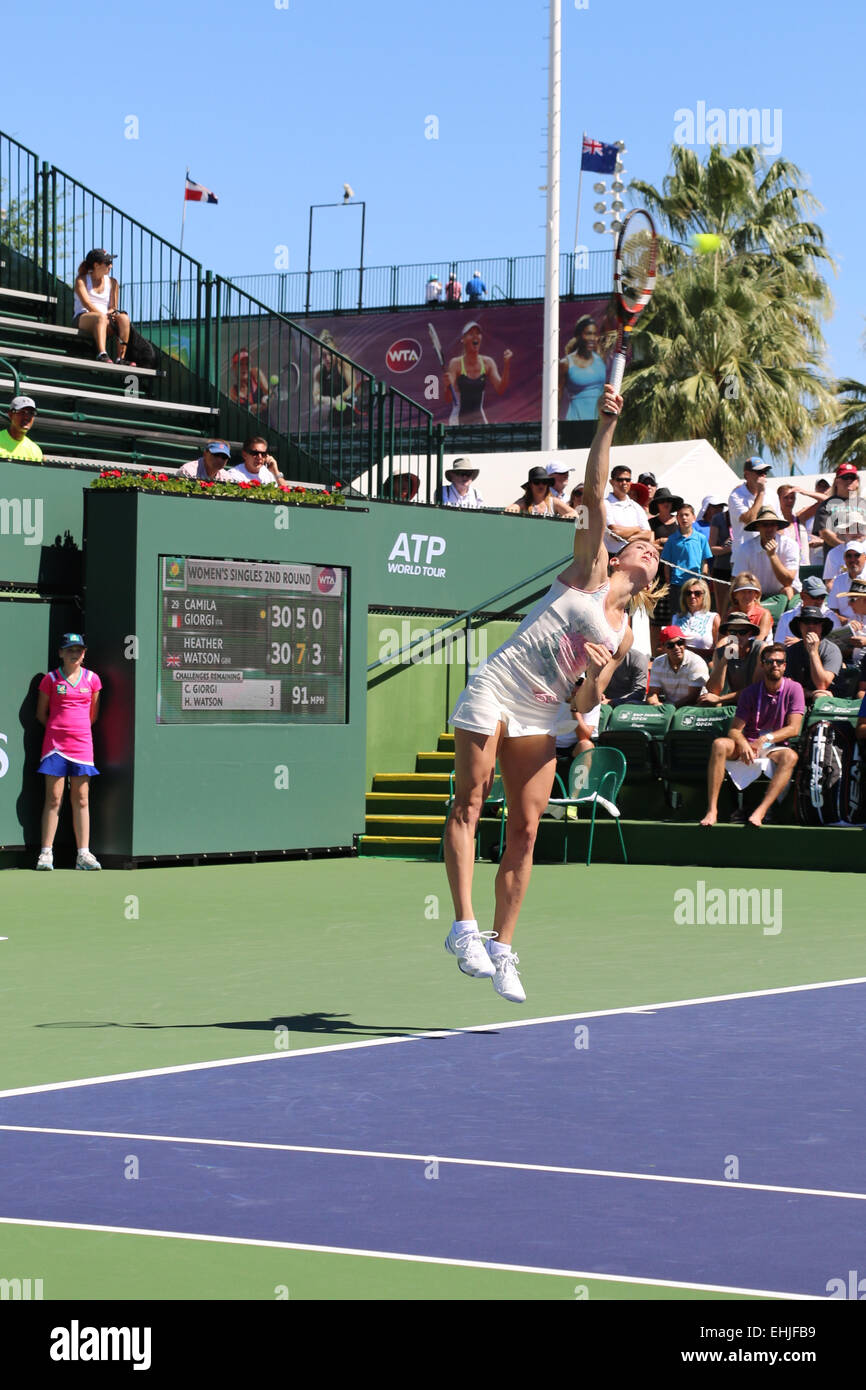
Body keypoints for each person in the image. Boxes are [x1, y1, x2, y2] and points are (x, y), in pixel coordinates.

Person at [443, 383, 662, 1003]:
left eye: (654, 547)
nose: (647, 546)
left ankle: (503, 947)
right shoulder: (589, 566)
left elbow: (584, 704)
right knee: (470, 799)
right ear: (622, 555)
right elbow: (594, 492)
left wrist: (588, 675)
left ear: (652, 576)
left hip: (542, 709)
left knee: (527, 828)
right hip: (499, 682)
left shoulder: (622, 632)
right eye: (640, 541)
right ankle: (463, 929)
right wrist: (603, 428)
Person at [700, 643, 804, 827]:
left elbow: (794, 729)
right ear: (762, 665)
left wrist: (766, 739)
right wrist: (745, 744)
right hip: (749, 742)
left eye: (780, 662)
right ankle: (712, 809)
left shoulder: (795, 688)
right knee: (719, 744)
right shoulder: (750, 692)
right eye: (770, 661)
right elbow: (734, 730)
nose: (775, 665)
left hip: (775, 745)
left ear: (785, 666)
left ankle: (761, 811)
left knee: (791, 756)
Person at [35, 633, 102, 870]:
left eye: (79, 650)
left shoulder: (93, 679)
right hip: (54, 747)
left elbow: (92, 715)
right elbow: (41, 714)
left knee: (82, 799)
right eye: (70, 649)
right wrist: (58, 732)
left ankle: (83, 854)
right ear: (61, 653)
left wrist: (77, 732)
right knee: (53, 799)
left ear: (84, 653)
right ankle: (46, 854)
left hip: (82, 746)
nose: (75, 653)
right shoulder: (50, 680)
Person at [443, 321, 512, 426]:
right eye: (471, 334)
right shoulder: (455, 364)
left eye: (478, 333)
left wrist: (507, 365)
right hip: (458, 420)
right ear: (463, 339)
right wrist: (447, 386)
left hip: (479, 419)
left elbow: (500, 389)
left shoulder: (488, 362)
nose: (475, 336)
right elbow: (448, 399)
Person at [72, 250, 133, 364]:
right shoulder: (81, 280)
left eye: (111, 262)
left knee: (124, 318)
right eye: (107, 263)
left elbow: (113, 307)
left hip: (105, 318)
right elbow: (87, 304)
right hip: (83, 317)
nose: (111, 265)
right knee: (100, 317)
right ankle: (102, 354)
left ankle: (121, 358)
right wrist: (104, 316)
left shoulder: (113, 282)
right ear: (96, 265)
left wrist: (111, 315)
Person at [699, 611, 765, 706]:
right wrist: (725, 659)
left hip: (757, 702)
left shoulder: (760, 649)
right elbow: (713, 690)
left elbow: (756, 689)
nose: (737, 637)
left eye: (742, 632)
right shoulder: (720, 652)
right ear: (727, 634)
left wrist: (720, 699)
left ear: (749, 634)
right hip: (734, 702)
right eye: (733, 632)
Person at [660, 504, 713, 618]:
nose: (684, 518)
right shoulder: (672, 539)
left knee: (697, 615)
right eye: (680, 515)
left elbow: (704, 561)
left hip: (696, 585)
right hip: (677, 584)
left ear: (693, 517)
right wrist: (669, 582)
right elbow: (666, 564)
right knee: (678, 615)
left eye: (686, 515)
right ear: (677, 518)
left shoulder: (701, 538)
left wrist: (703, 580)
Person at [813, 463, 866, 575]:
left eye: (852, 477)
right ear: (837, 481)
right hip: (837, 563)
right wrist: (848, 550)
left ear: (857, 482)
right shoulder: (826, 505)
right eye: (845, 477)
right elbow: (825, 533)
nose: (849, 481)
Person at [738, 505, 800, 602]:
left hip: (785, 593)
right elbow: (739, 580)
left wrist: (772, 556)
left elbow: (787, 582)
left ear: (777, 527)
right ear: (758, 527)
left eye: (772, 524)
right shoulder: (746, 548)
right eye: (765, 525)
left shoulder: (790, 545)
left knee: (788, 590)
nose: (769, 528)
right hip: (756, 594)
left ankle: (788, 617)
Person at [728, 455, 775, 570]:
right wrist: (761, 493)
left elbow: (779, 526)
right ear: (746, 475)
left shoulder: (772, 495)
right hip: (743, 557)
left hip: (768, 555)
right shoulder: (736, 496)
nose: (763, 475)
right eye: (759, 472)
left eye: (765, 471)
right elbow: (750, 520)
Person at [783, 608, 842, 699]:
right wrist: (808, 693)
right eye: (806, 622)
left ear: (821, 627)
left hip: (826, 700)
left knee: (820, 697)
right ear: (800, 626)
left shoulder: (831, 650)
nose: (811, 626)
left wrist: (813, 652)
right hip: (797, 696)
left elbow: (822, 684)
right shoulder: (791, 651)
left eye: (816, 622)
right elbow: (786, 685)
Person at [646, 626, 709, 707]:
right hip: (669, 707)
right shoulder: (657, 662)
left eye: (680, 643)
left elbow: (692, 698)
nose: (676, 648)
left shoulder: (696, 662)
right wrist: (655, 704)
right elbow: (652, 693)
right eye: (670, 645)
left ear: (685, 644)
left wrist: (668, 708)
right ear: (663, 647)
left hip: (695, 707)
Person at [558, 315, 606, 421]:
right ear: (578, 336)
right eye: (588, 334)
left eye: (595, 334)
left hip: (599, 420)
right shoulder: (565, 363)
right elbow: (558, 395)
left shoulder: (601, 360)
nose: (592, 338)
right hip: (575, 422)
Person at [603, 464, 653, 554]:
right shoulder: (604, 504)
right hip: (612, 556)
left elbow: (648, 534)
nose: (624, 482)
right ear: (612, 482)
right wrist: (637, 529)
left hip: (633, 556)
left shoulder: (636, 507)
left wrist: (628, 539)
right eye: (620, 480)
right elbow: (615, 533)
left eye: (628, 480)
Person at [312, 331, 359, 424]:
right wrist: (324, 400)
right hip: (332, 417)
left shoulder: (344, 360)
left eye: (330, 354)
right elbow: (315, 398)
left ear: (336, 351)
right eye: (323, 355)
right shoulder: (318, 371)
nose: (327, 358)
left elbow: (353, 386)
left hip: (350, 413)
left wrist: (341, 397)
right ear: (319, 355)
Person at [775, 575, 838, 644]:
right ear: (802, 596)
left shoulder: (830, 616)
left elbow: (836, 643)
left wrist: (801, 643)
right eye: (815, 597)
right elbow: (779, 644)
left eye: (822, 597)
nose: (819, 601)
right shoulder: (786, 617)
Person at [671, 577, 720, 657]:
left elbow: (720, 648)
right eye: (688, 593)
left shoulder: (713, 617)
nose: (692, 596)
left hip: (705, 662)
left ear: (704, 596)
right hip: (679, 664)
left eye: (697, 593)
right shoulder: (676, 618)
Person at [506, 467, 577, 518]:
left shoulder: (553, 502)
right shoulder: (524, 502)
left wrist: (561, 519)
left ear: (547, 484)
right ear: (530, 485)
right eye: (536, 482)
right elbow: (508, 512)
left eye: (544, 482)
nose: (541, 485)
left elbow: (574, 513)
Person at [727, 572, 774, 642]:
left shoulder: (764, 614)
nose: (746, 596)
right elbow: (723, 638)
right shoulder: (730, 613)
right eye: (743, 592)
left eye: (750, 592)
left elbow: (759, 642)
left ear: (756, 595)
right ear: (735, 595)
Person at [828, 542, 866, 621]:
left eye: (857, 555)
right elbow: (832, 609)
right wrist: (846, 622)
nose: (852, 559)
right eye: (849, 556)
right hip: (845, 629)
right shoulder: (839, 580)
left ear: (864, 557)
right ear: (844, 559)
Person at [0, 396, 43, 462]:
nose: (27, 417)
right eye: (22, 412)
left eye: (31, 413)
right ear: (11, 415)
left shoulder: (35, 450)